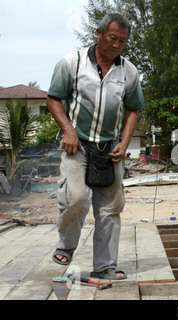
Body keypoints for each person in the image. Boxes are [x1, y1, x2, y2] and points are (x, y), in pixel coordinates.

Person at [47, 13, 145, 280]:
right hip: (76, 145)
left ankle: (105, 267)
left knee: (111, 207)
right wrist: (68, 130)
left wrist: (124, 144)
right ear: (99, 33)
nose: (117, 45)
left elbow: (134, 109)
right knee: (76, 197)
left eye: (123, 42)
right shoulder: (72, 62)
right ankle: (66, 245)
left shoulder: (128, 72)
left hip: (110, 148)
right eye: (113, 38)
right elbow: (54, 98)